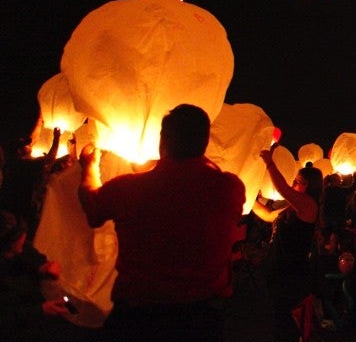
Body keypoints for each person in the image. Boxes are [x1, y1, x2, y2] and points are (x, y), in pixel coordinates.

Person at [77, 104, 245, 342]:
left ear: (163, 139)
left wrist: (89, 168)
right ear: (206, 142)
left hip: (139, 319)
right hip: (201, 320)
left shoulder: (130, 187)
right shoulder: (229, 188)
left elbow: (93, 209)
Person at [253, 151, 323, 342]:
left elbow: (282, 188)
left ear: (309, 186)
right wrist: (250, 199)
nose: (293, 184)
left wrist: (269, 162)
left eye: (297, 181)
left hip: (291, 272)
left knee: (285, 321)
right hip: (278, 267)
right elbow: (268, 215)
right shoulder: (294, 207)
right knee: (278, 316)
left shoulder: (309, 205)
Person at [0, 209, 72, 340]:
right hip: (18, 329)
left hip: (39, 309)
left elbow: (30, 255)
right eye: (13, 249)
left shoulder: (17, 244)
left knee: (70, 303)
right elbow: (5, 316)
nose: (20, 250)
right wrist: (40, 310)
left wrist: (44, 266)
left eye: (22, 244)